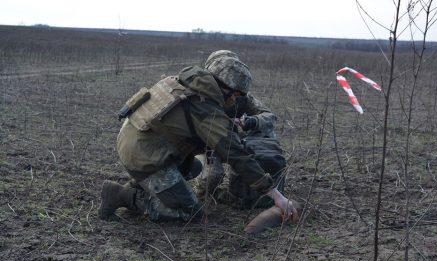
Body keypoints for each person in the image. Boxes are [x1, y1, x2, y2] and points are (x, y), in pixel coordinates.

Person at [98, 54, 297, 223]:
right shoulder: (205, 108)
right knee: (190, 213)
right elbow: (235, 153)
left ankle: (146, 184)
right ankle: (123, 195)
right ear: (225, 87)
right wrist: (275, 194)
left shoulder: (184, 83)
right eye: (236, 95)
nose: (236, 100)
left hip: (134, 139)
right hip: (144, 155)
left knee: (195, 167)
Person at [196, 50, 285, 209]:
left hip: (234, 143)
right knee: (211, 175)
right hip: (209, 143)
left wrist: (250, 122)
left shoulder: (241, 95)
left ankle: (244, 191)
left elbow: (270, 116)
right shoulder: (201, 96)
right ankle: (203, 199)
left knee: (265, 134)